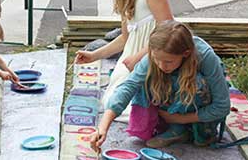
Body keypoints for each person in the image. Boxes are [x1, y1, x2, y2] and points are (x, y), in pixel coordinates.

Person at [90, 21, 230, 150]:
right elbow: (129, 86)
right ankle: (177, 130)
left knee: (197, 83)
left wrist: (179, 118)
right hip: (173, 111)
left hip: (197, 109)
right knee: (145, 79)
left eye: (169, 61)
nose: (162, 66)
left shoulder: (206, 57)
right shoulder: (155, 56)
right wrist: (103, 126)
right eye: (157, 59)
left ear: (185, 54)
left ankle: (193, 129)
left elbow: (222, 106)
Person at [75, 0, 173, 122]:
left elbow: (169, 31)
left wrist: (138, 57)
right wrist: (94, 55)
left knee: (129, 107)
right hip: (131, 60)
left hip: (155, 57)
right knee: (111, 102)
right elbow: (126, 37)